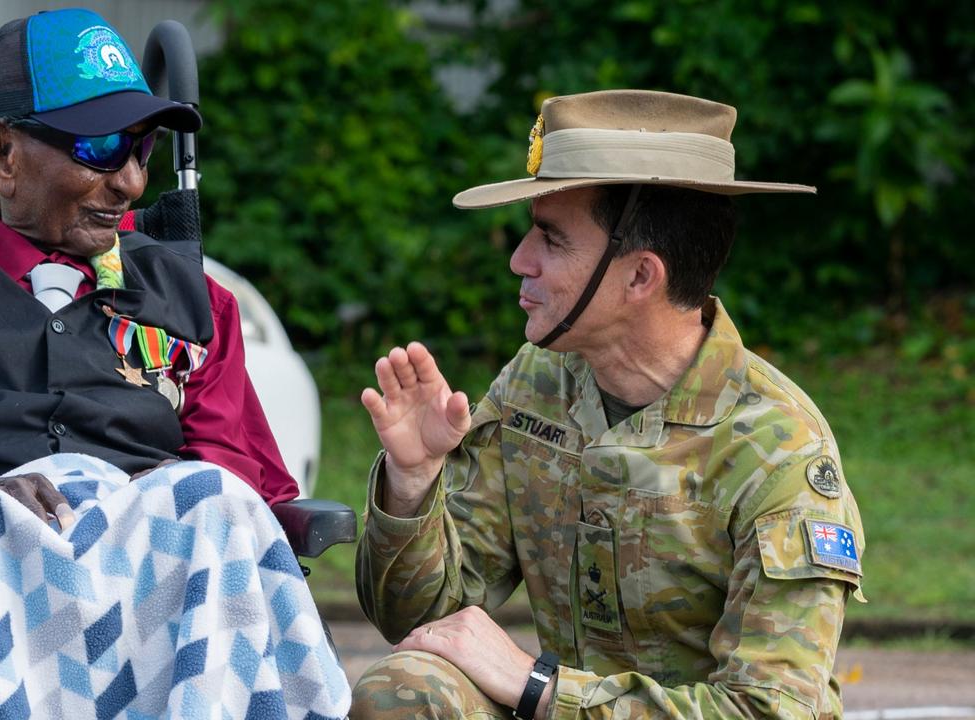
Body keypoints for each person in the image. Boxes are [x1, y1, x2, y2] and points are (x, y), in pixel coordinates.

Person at [0, 9, 349, 718]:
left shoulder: (194, 299)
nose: (129, 183)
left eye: (143, 149)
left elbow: (245, 481)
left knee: (210, 500)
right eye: (100, 146)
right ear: (1, 151)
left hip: (153, 591)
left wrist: (162, 493)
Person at [351, 90, 866, 719]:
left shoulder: (780, 451)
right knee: (406, 689)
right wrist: (413, 485)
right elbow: (424, 620)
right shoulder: (539, 382)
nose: (520, 260)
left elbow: (768, 711)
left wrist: (542, 688)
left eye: (551, 238)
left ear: (641, 277)